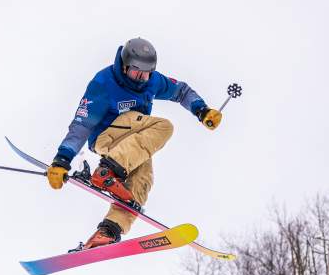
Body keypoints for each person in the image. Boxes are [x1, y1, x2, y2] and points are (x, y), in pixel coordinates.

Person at [47, 38, 223, 250]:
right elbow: (82, 123)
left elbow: (181, 91)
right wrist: (63, 158)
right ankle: (107, 171)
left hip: (129, 145)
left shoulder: (153, 81)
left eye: (146, 72)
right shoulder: (104, 83)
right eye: (136, 72)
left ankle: (109, 230)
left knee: (143, 178)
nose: (141, 78)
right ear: (124, 66)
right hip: (106, 137)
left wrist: (201, 110)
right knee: (163, 127)